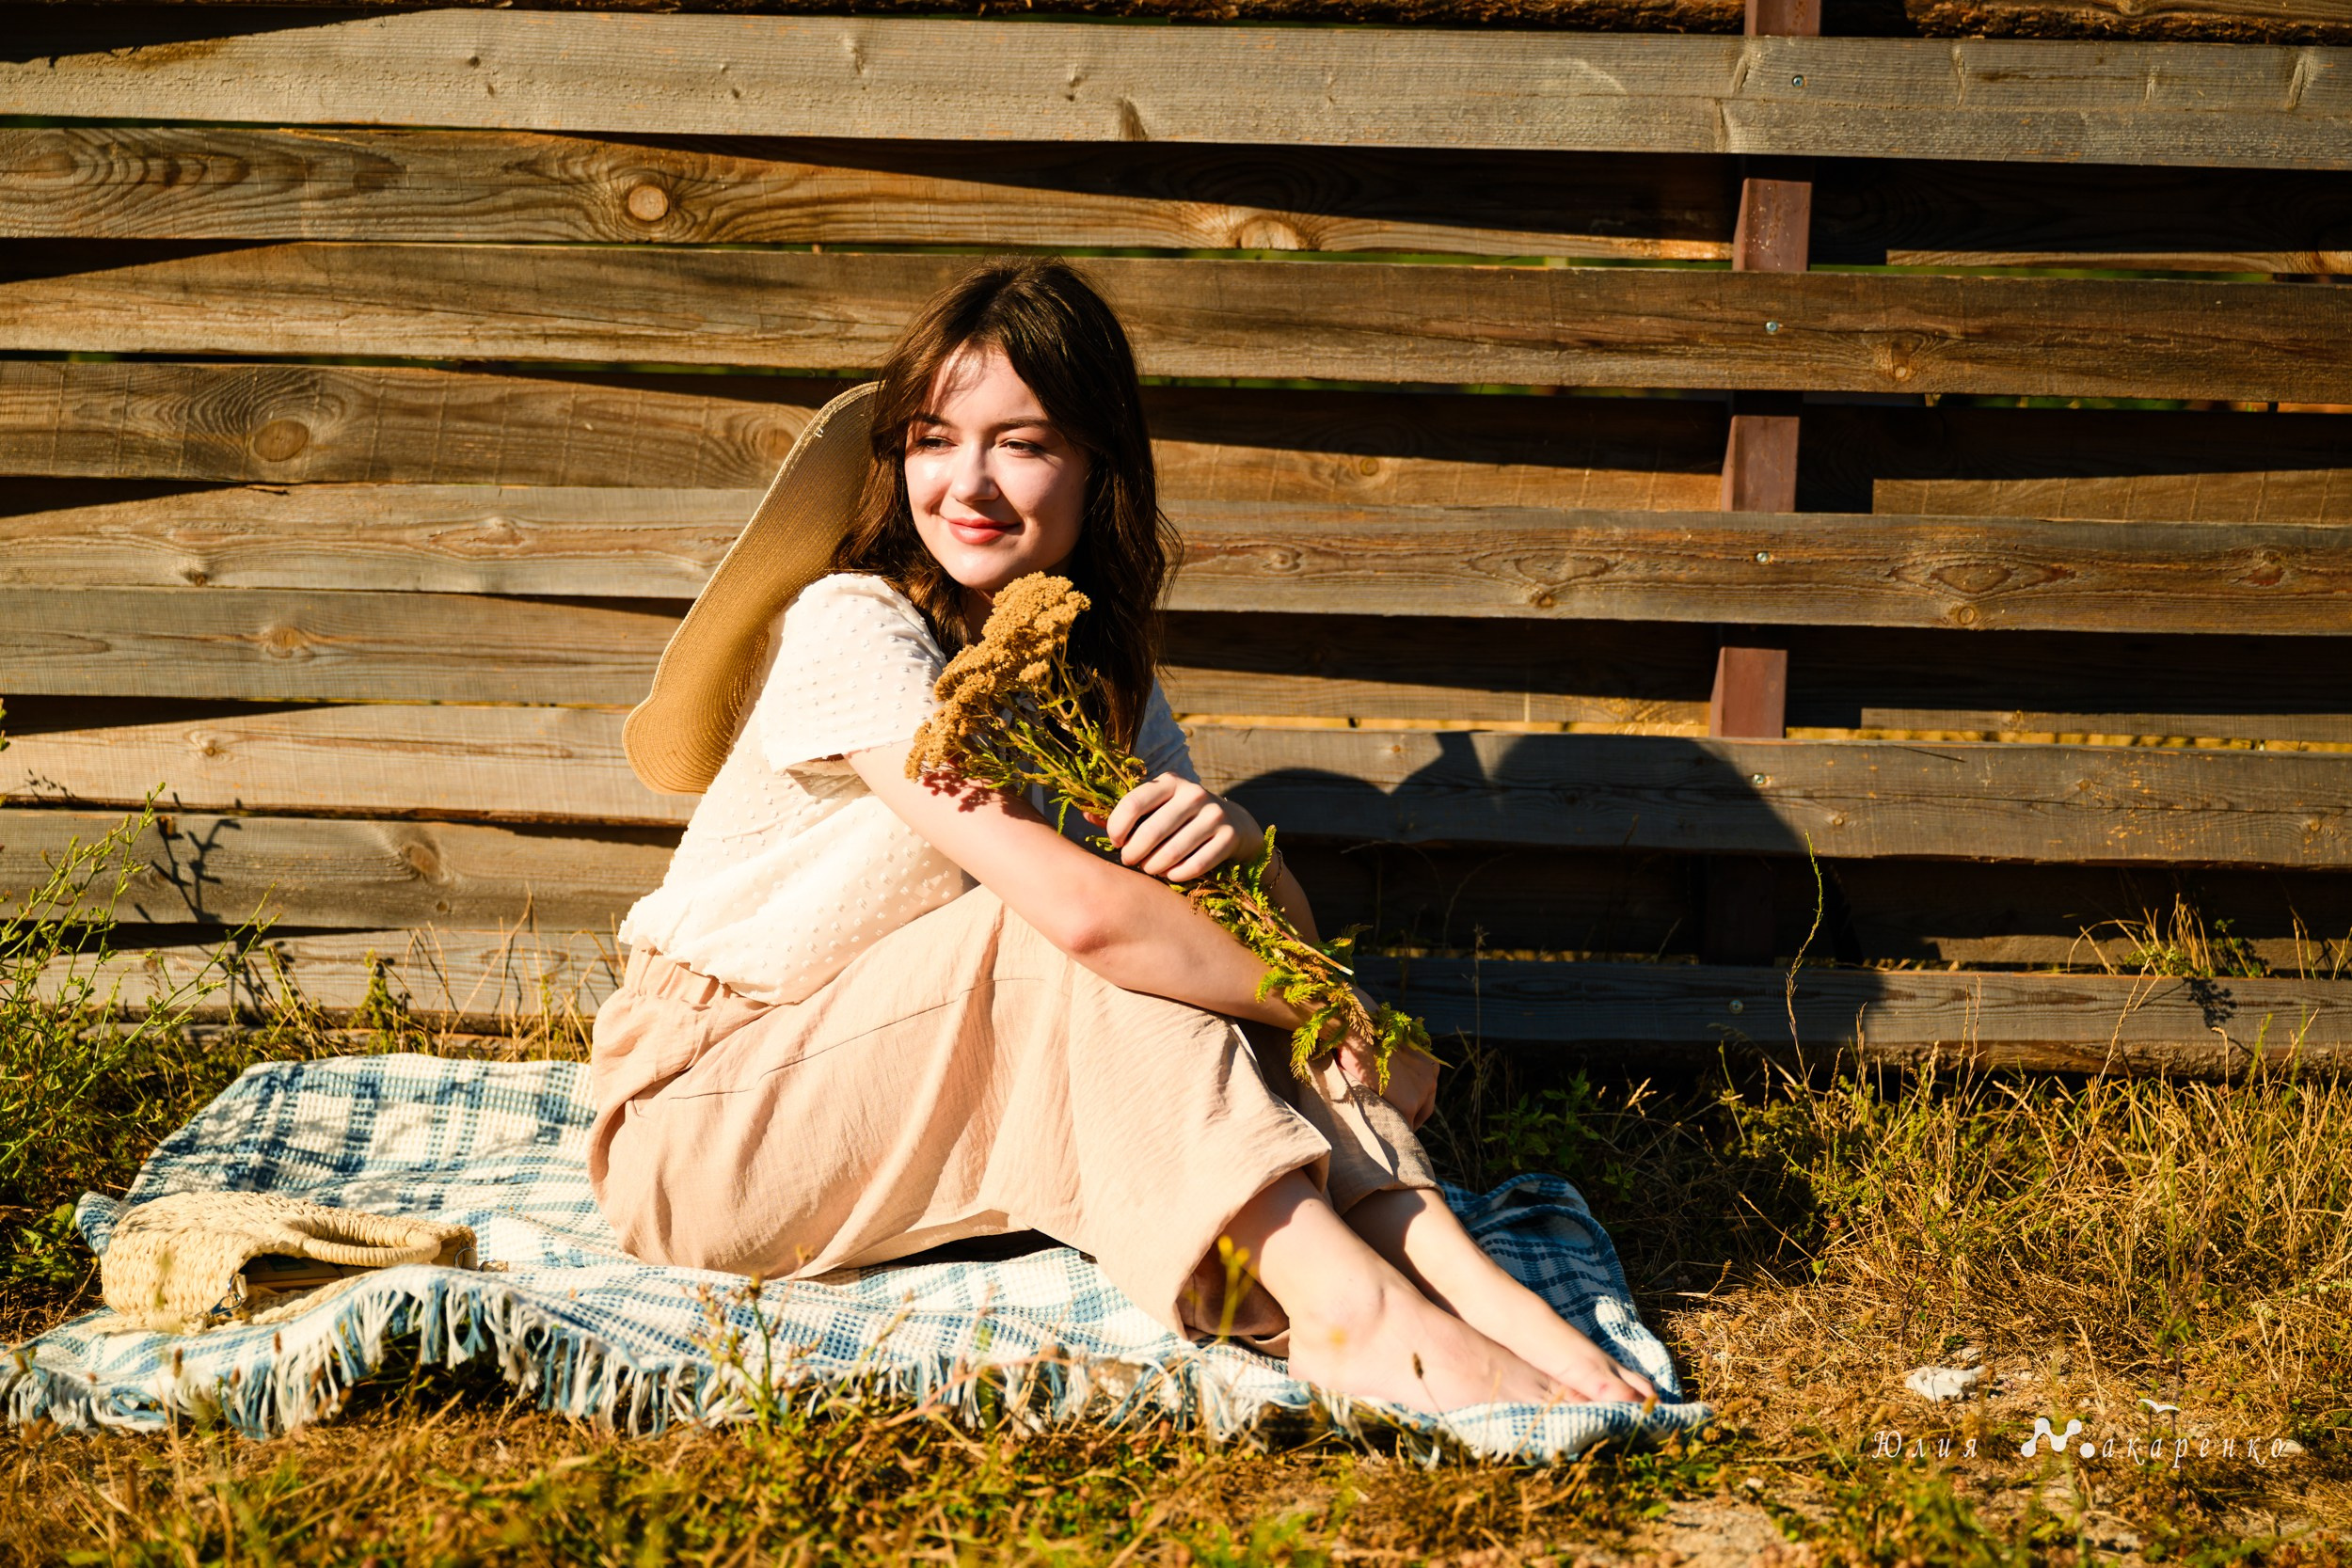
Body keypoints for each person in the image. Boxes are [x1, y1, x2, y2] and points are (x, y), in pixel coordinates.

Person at [590, 256, 1655, 1415]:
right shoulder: (853, 623)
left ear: (1098, 464)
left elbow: (1241, 940)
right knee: (1079, 931)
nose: (967, 482)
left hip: (913, 1094)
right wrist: (1333, 1004)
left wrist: (1244, 850)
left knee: (1196, 958)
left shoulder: (1097, 678)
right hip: (706, 1126)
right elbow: (1089, 919)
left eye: (1022, 443)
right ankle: (1354, 1315)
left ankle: (1440, 1272)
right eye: (934, 440)